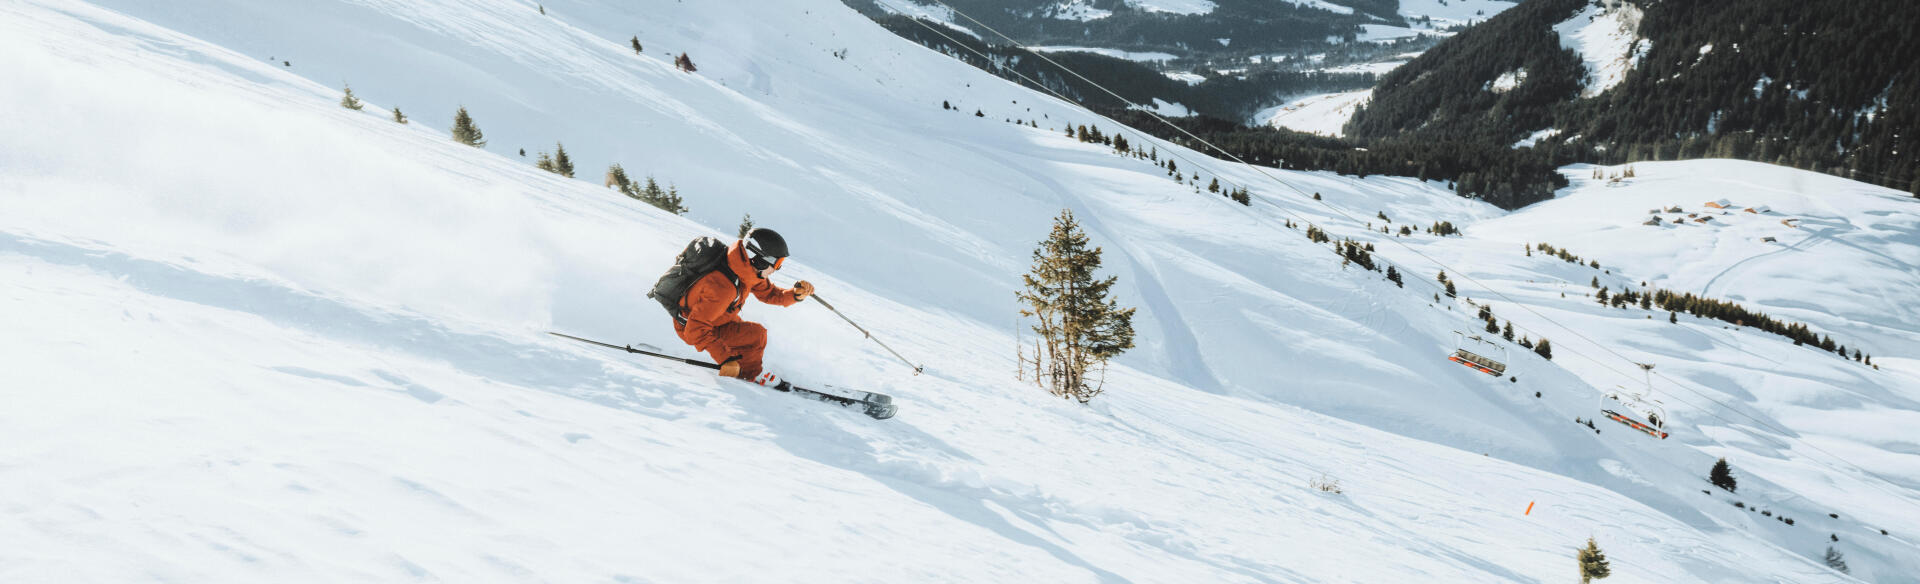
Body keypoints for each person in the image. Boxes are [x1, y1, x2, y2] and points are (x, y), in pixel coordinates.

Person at [674, 228, 814, 384]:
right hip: (692, 326)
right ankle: (748, 376)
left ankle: (743, 368)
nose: (776, 269)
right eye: (777, 263)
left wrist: (794, 294)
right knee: (756, 336)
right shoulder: (723, 287)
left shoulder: (744, 268)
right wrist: (725, 359)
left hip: (718, 319)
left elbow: (769, 293)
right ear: (759, 260)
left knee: (753, 335)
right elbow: (696, 329)